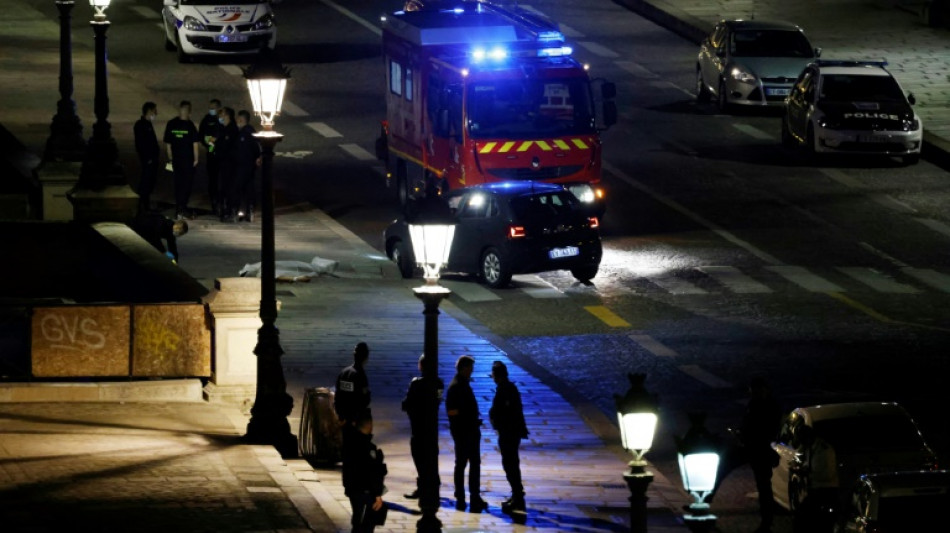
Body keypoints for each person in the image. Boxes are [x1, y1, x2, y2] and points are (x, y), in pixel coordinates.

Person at [715, 376, 782, 533]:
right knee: (722, 469)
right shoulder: (758, 403)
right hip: (750, 447)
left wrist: (747, 434)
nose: (754, 394)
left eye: (757, 391)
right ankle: (767, 522)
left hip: (759, 448)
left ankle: (767, 522)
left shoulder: (769, 406)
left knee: (763, 487)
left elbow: (767, 429)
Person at [401, 354, 444, 530]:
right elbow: (437, 402)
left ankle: (424, 490)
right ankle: (431, 488)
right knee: (431, 461)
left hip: (418, 429)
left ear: (421, 366)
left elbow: (406, 404)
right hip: (431, 431)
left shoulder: (416, 383)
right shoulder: (439, 383)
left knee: (420, 459)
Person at [446, 355, 487, 513]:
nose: (472, 371)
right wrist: (469, 417)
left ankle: (465, 496)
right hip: (465, 431)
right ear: (464, 368)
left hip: (466, 430)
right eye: (470, 368)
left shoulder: (460, 384)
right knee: (469, 463)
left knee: (464, 463)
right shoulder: (457, 386)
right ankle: (470, 496)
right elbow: (452, 411)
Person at [489, 360, 528, 514]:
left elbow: (507, 412)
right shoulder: (508, 388)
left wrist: (496, 420)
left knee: (510, 464)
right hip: (510, 432)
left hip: (508, 433)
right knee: (511, 464)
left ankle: (518, 496)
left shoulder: (505, 390)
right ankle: (516, 495)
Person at [341, 411, 387, 533]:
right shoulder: (368, 448)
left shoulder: (349, 443)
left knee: (358, 520)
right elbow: (373, 473)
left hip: (352, 489)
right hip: (365, 492)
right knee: (365, 525)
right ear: (369, 426)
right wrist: (377, 495)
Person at [163, 100, 200, 220]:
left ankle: (179, 207)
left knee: (178, 184)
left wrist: (170, 158)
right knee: (186, 185)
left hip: (176, 160)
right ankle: (182, 207)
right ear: (189, 112)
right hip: (188, 161)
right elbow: (195, 144)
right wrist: (196, 159)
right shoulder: (190, 126)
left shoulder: (171, 124)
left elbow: (168, 144)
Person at [335, 342, 372, 445]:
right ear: (365, 356)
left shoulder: (344, 372)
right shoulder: (360, 375)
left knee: (346, 445)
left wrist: (340, 414)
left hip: (343, 417)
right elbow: (364, 399)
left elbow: (338, 395)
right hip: (355, 420)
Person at [232, 110, 261, 222]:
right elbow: (257, 148)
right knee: (249, 188)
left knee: (237, 188)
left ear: (241, 120)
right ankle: (250, 210)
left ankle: (236, 211)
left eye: (238, 119)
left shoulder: (244, 133)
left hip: (243, 166)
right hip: (249, 166)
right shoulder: (251, 132)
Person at [133, 102, 160, 214]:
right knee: (145, 181)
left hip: (152, 159)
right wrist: (147, 158)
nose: (156, 113)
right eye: (154, 110)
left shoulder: (147, 124)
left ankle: (145, 204)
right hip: (148, 159)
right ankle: (141, 205)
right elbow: (141, 144)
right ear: (149, 111)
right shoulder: (141, 125)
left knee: (149, 181)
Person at [198, 98, 223, 215]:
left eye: (213, 108)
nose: (211, 110)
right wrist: (208, 143)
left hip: (222, 155)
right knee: (212, 180)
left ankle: (222, 202)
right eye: (210, 108)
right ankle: (214, 202)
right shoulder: (206, 119)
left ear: (218, 108)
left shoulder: (223, 119)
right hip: (211, 153)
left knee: (223, 180)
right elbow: (201, 134)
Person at [214, 107, 239, 222]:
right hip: (222, 163)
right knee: (223, 187)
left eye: (222, 114)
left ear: (227, 115)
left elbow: (229, 146)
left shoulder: (233, 130)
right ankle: (224, 210)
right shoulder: (221, 128)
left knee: (230, 188)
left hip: (230, 164)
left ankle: (230, 210)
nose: (221, 117)